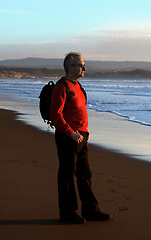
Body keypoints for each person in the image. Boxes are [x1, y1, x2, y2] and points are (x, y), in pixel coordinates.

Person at [50, 52, 110, 224]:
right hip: (67, 136)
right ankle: (68, 213)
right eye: (81, 65)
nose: (84, 68)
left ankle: (90, 210)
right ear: (70, 67)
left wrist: (84, 132)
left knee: (85, 173)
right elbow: (56, 115)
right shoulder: (62, 87)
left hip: (81, 136)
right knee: (68, 174)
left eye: (83, 65)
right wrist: (70, 132)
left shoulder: (78, 86)